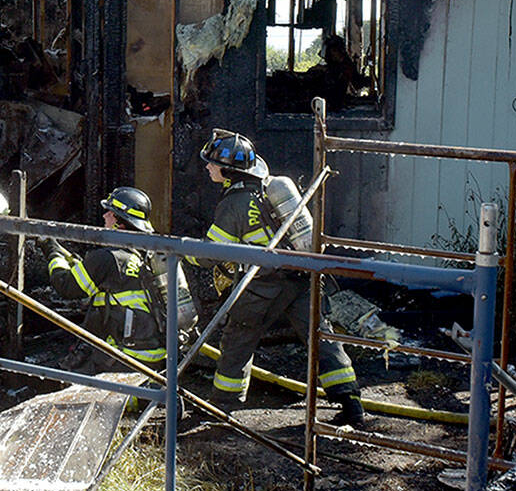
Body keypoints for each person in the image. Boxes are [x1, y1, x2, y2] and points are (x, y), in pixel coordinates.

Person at [190, 129, 365, 426]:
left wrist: (185, 252)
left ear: (228, 170)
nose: (208, 167)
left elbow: (211, 255)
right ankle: (351, 404)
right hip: (301, 278)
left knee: (238, 339)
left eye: (211, 163)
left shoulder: (234, 204)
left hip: (261, 285)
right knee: (321, 338)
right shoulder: (271, 189)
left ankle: (222, 406)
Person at [42, 187, 167, 371]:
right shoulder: (145, 252)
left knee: (65, 376)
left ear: (120, 222)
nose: (105, 216)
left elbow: (67, 286)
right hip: (155, 356)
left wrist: (52, 252)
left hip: (125, 358)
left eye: (110, 212)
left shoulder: (108, 257)